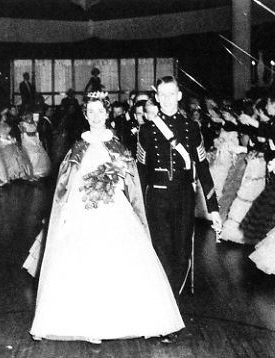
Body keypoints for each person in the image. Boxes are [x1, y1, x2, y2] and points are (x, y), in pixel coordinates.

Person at [23, 91, 184, 344]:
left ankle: (133, 320)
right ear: (85, 115)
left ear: (107, 114)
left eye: (100, 111)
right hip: (83, 208)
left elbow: (129, 179)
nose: (96, 116)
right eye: (91, 112)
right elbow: (66, 183)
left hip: (113, 207)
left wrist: (112, 182)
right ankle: (84, 324)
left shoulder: (117, 145)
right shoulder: (78, 146)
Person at [138, 76, 222, 297]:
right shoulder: (146, 131)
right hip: (156, 198)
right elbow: (140, 172)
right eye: (162, 95)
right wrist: (135, 206)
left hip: (184, 197)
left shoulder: (191, 127)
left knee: (182, 250)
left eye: (171, 94)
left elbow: (203, 168)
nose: (167, 100)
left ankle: (174, 296)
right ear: (156, 98)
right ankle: (168, 301)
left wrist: (213, 208)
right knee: (162, 249)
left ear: (179, 95)